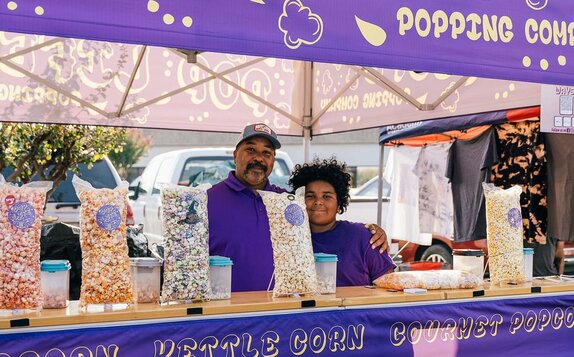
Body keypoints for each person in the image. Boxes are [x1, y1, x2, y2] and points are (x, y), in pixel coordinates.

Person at [207, 123, 389, 292]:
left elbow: (320, 224)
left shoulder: (287, 202)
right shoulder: (207, 201)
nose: (258, 158)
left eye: (266, 153)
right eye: (251, 149)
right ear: (235, 155)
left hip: (281, 315)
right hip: (225, 317)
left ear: (273, 160)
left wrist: (372, 231)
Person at [289, 158, 395, 286]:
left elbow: (389, 285)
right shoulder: (289, 239)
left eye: (327, 196)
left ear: (339, 204)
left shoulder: (363, 236)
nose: (318, 201)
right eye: (310, 196)